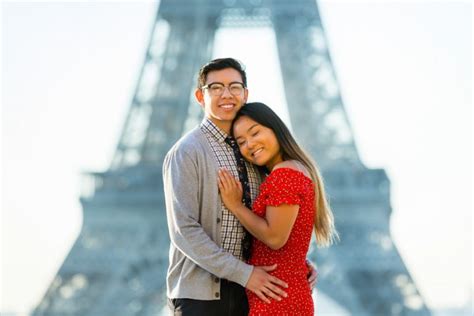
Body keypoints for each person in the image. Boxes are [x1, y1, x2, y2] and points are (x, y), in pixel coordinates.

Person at [163, 58, 316, 315]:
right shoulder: (187, 151)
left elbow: (272, 221)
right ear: (201, 96)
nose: (226, 94)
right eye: (216, 87)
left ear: (245, 94)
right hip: (205, 296)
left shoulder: (255, 155)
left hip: (253, 291)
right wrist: (245, 274)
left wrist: (295, 261)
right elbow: (184, 231)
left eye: (234, 86)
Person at [218, 102, 338, 315]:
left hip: (276, 300)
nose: (250, 144)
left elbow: (275, 237)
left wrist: (236, 206)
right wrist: (299, 262)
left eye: (255, 133)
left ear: (275, 129)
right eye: (241, 142)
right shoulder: (296, 170)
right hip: (284, 294)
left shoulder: (284, 174)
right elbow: (289, 239)